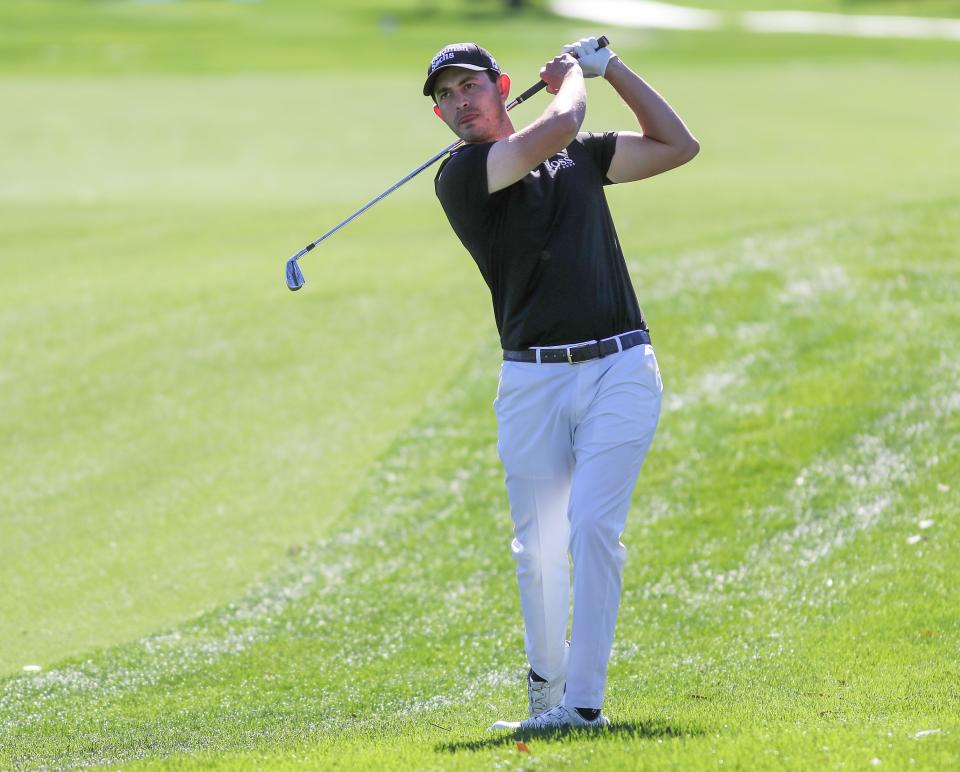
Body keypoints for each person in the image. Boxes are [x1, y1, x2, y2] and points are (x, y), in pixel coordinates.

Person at [424, 38, 699, 730]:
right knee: (539, 549)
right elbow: (561, 124)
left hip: (620, 367)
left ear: (500, 86)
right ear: (440, 116)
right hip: (532, 382)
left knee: (593, 531)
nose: (460, 103)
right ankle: (545, 696)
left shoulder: (580, 157)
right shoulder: (462, 175)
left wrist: (613, 70)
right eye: (446, 96)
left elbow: (677, 145)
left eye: (469, 87)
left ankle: (582, 705)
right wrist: (574, 79)